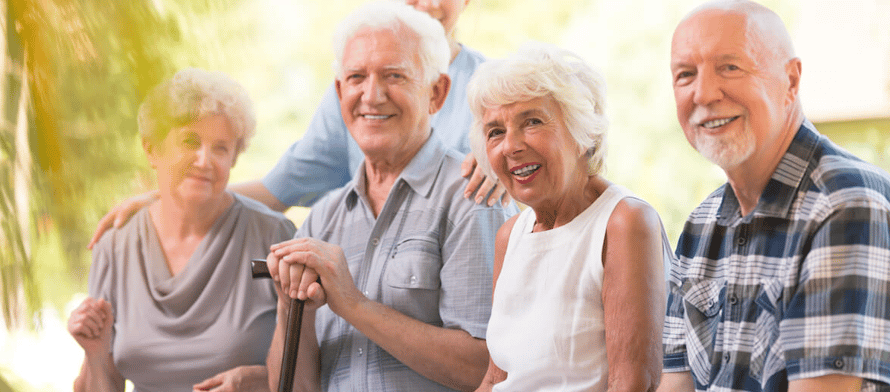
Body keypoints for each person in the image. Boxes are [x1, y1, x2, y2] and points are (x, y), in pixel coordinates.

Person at [87, 0, 507, 249]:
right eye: (359, 79)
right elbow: (276, 190)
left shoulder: (499, 90)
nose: (427, 2)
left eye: (395, 76)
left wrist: (506, 164)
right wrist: (170, 197)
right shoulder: (354, 95)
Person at [263, 2, 517, 391]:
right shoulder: (322, 220)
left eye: (394, 76)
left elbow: (486, 370)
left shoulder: (473, 199)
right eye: (356, 77)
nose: (372, 95)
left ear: (437, 93)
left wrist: (353, 304)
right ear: (339, 91)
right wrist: (290, 308)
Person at [658, 1, 890, 391]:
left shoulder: (847, 204)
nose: (703, 93)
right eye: (686, 75)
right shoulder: (700, 225)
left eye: (730, 67)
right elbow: (675, 386)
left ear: (790, 80)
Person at [67, 68, 296, 392]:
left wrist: (258, 380)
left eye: (221, 148)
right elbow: (104, 383)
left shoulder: (272, 236)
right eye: (190, 141)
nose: (205, 160)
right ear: (151, 149)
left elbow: (309, 372)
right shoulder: (116, 246)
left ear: (233, 158)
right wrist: (94, 354)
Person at [467, 42, 669, 391]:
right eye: (495, 131)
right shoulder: (510, 235)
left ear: (583, 134)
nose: (510, 146)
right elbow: (495, 378)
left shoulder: (624, 222)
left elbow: (632, 383)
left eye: (531, 122)